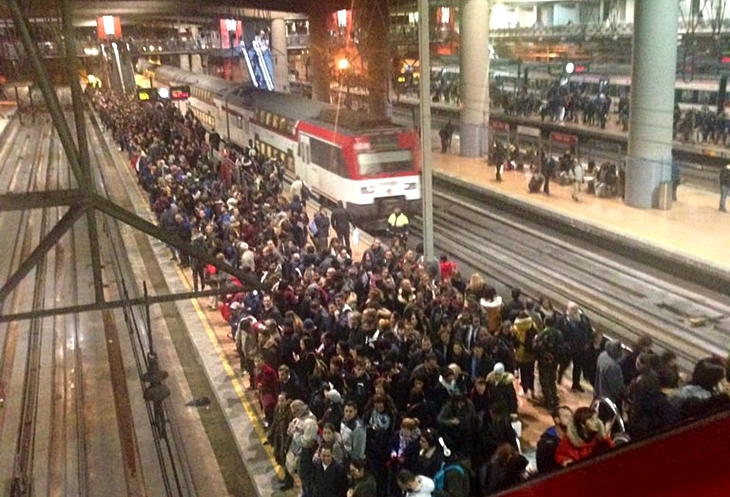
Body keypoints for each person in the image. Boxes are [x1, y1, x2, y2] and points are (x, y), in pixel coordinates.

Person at [535, 405, 572, 474]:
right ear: (557, 420)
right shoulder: (546, 445)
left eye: (571, 416)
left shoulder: (575, 437)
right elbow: (544, 469)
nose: (570, 419)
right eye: (566, 416)